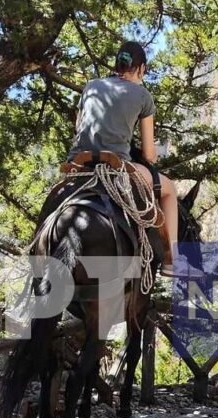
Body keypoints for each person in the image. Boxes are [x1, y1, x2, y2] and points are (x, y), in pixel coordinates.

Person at [68, 41, 197, 277]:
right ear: (141, 69)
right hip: (115, 169)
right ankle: (172, 261)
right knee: (169, 189)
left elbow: (79, 129)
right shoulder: (142, 95)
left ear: (117, 64)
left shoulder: (91, 86)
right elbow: (148, 154)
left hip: (78, 165)